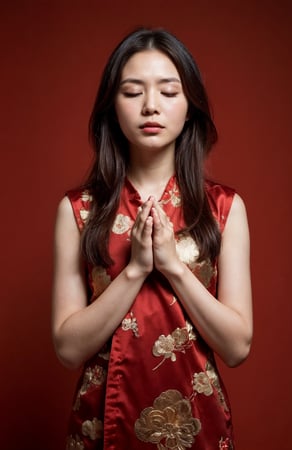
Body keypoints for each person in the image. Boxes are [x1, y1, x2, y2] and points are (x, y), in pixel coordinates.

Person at [52, 27, 252, 450]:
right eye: (132, 92)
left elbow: (237, 346)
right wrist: (136, 270)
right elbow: (68, 349)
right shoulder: (79, 210)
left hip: (195, 426)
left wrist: (175, 269)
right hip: (100, 427)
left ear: (190, 106)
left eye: (168, 91)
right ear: (112, 107)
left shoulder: (224, 209)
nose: (150, 106)